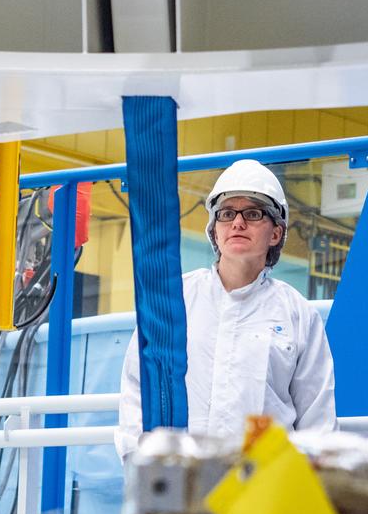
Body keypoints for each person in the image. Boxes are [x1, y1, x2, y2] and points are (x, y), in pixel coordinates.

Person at [116, 158, 336, 459]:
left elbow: (317, 420)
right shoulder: (173, 301)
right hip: (181, 482)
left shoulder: (298, 315)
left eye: (253, 213)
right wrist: (141, 463)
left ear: (275, 233)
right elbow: (136, 392)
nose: (238, 223)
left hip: (264, 489)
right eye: (227, 213)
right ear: (214, 232)